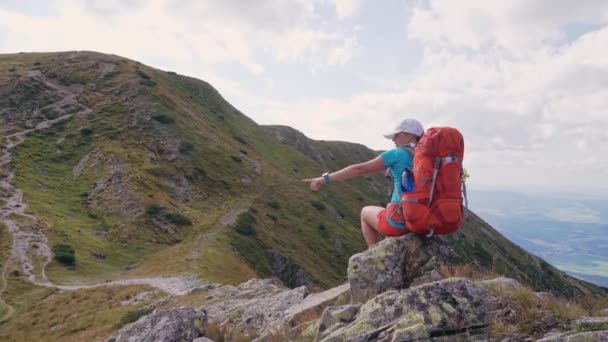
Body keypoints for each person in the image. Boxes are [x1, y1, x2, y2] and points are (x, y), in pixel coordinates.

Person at [303, 119, 424, 249]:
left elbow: (359, 169)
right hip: (423, 222)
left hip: (399, 224)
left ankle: (376, 256)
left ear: (410, 135)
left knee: (365, 213)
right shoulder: (430, 159)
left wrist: (323, 179)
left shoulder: (398, 154)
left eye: (396, 135)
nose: (393, 139)